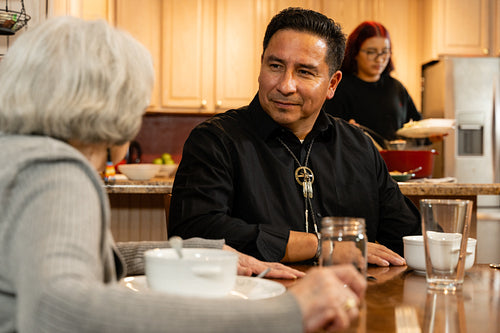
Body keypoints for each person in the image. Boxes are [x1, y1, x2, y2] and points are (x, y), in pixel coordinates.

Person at [0, 16, 368, 333]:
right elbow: (60, 313)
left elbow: (67, 265)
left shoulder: (16, 157)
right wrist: (284, 313)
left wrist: (199, 252)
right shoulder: (56, 171)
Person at [169, 8, 421, 266]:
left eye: (305, 72)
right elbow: (194, 235)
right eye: (275, 66)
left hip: (349, 300)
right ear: (261, 65)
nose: (285, 85)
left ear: (332, 84)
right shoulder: (215, 140)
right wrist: (321, 245)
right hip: (257, 299)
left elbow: (410, 235)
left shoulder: (358, 146)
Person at [323, 21, 421, 147]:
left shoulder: (396, 87)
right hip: (355, 162)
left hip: (394, 162)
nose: (379, 59)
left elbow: (417, 127)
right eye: (371, 52)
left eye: (385, 52)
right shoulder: (339, 86)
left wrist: (432, 135)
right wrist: (345, 130)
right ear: (355, 53)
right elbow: (326, 133)